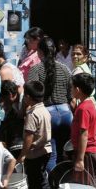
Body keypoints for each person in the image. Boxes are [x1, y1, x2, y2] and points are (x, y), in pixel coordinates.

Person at [28, 37, 73, 175]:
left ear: (40, 52)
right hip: (66, 113)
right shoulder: (65, 69)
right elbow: (70, 95)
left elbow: (31, 94)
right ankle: (64, 182)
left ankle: (52, 186)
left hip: (48, 115)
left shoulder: (36, 70)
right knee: (65, 153)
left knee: (51, 154)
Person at [17, 81, 53, 189]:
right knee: (42, 181)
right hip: (46, 150)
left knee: (35, 185)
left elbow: (28, 137)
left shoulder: (32, 114)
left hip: (34, 153)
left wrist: (22, 155)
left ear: (27, 97)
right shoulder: (45, 110)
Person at [71, 73, 96, 187]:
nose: (71, 90)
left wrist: (80, 159)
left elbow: (84, 134)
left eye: (72, 87)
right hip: (88, 151)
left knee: (86, 186)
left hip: (87, 152)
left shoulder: (83, 108)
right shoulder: (88, 104)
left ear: (77, 89)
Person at [0, 80, 24, 158]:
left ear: (10, 95)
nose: (3, 102)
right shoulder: (13, 103)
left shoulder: (23, 102)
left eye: (3, 99)